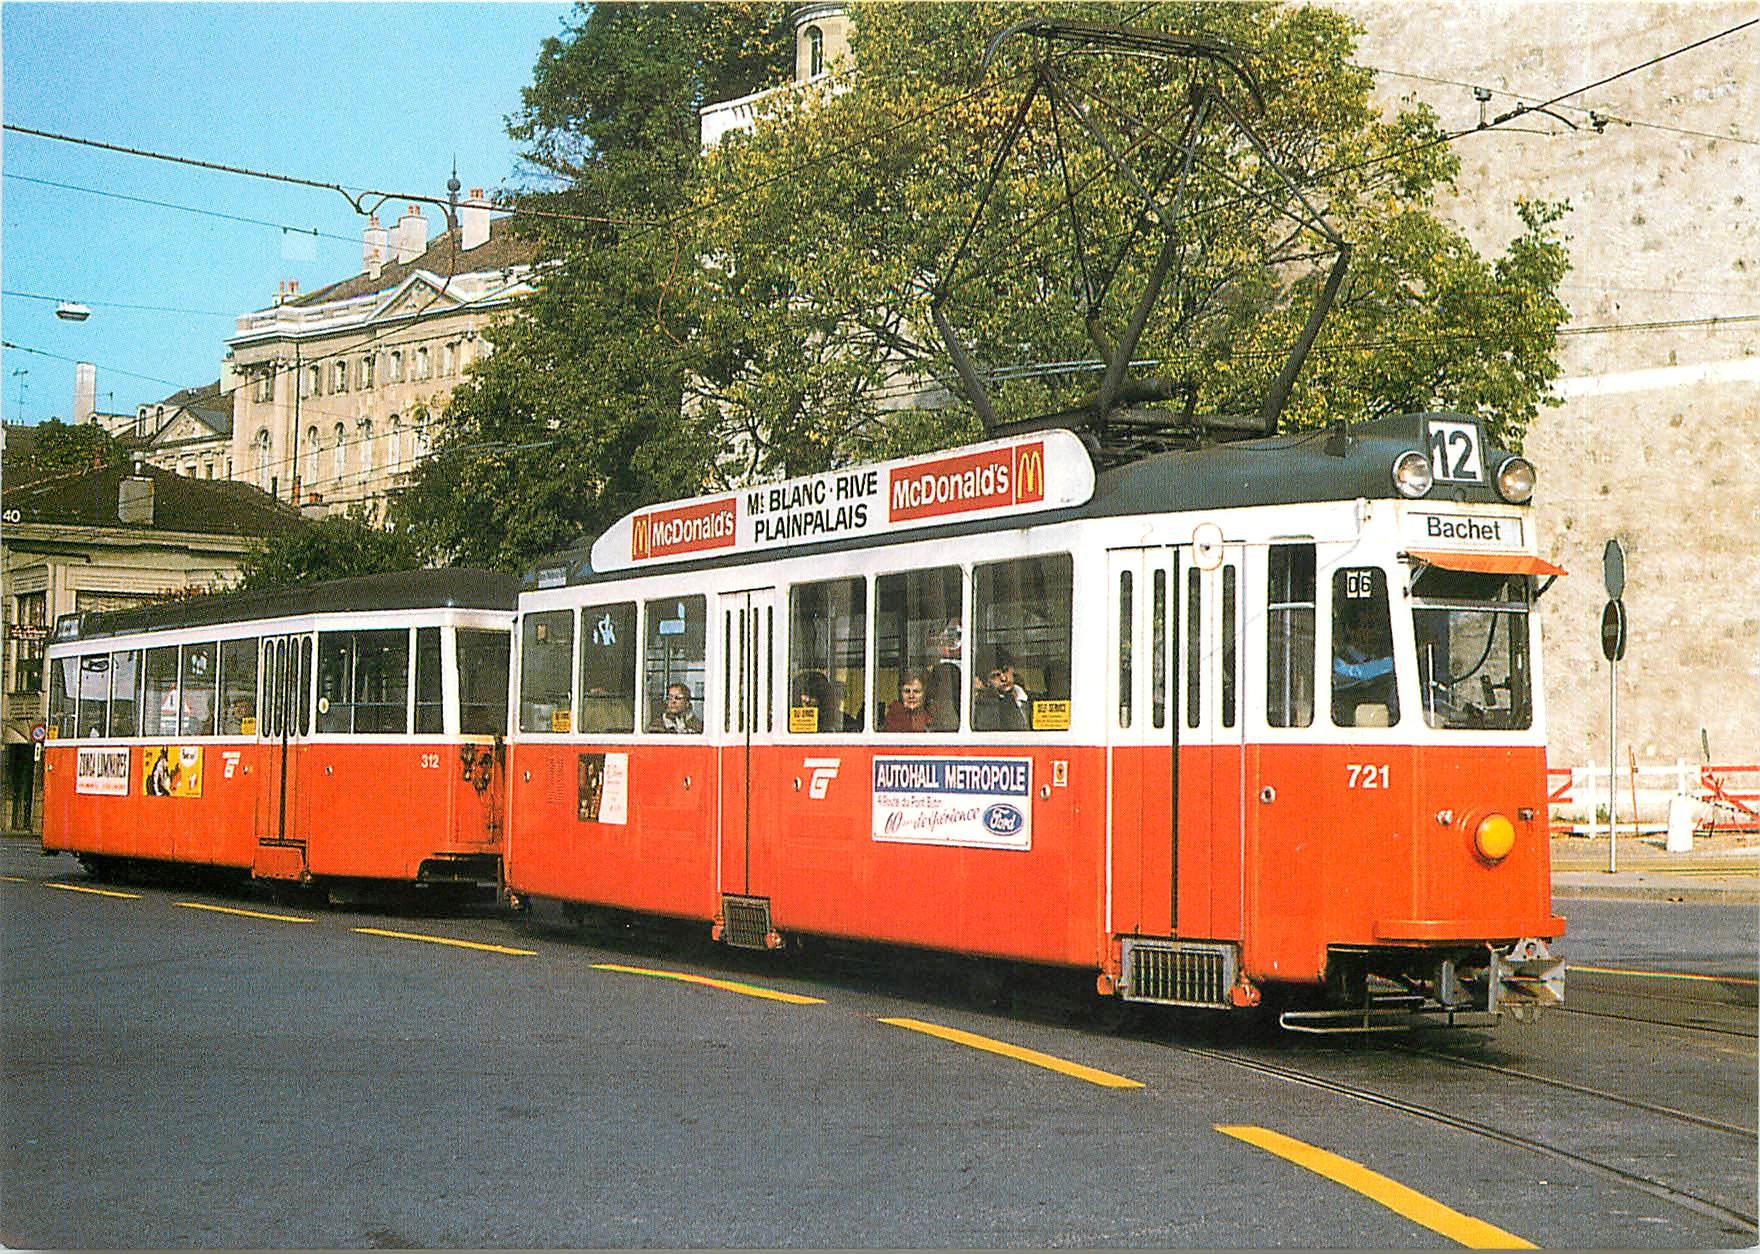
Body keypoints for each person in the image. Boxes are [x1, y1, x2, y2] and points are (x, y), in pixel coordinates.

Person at [1332, 608, 1395, 724]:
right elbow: (1358, 673)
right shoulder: (1337, 663)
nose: (1376, 633)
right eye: (1369, 626)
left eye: (1378, 628)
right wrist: (1396, 663)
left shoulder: (1379, 663)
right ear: (1350, 630)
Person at [971, 646, 1030, 731]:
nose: (1003, 678)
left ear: (1012, 669)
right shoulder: (984, 709)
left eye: (1006, 670)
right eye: (995, 675)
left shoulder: (1035, 699)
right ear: (985, 682)